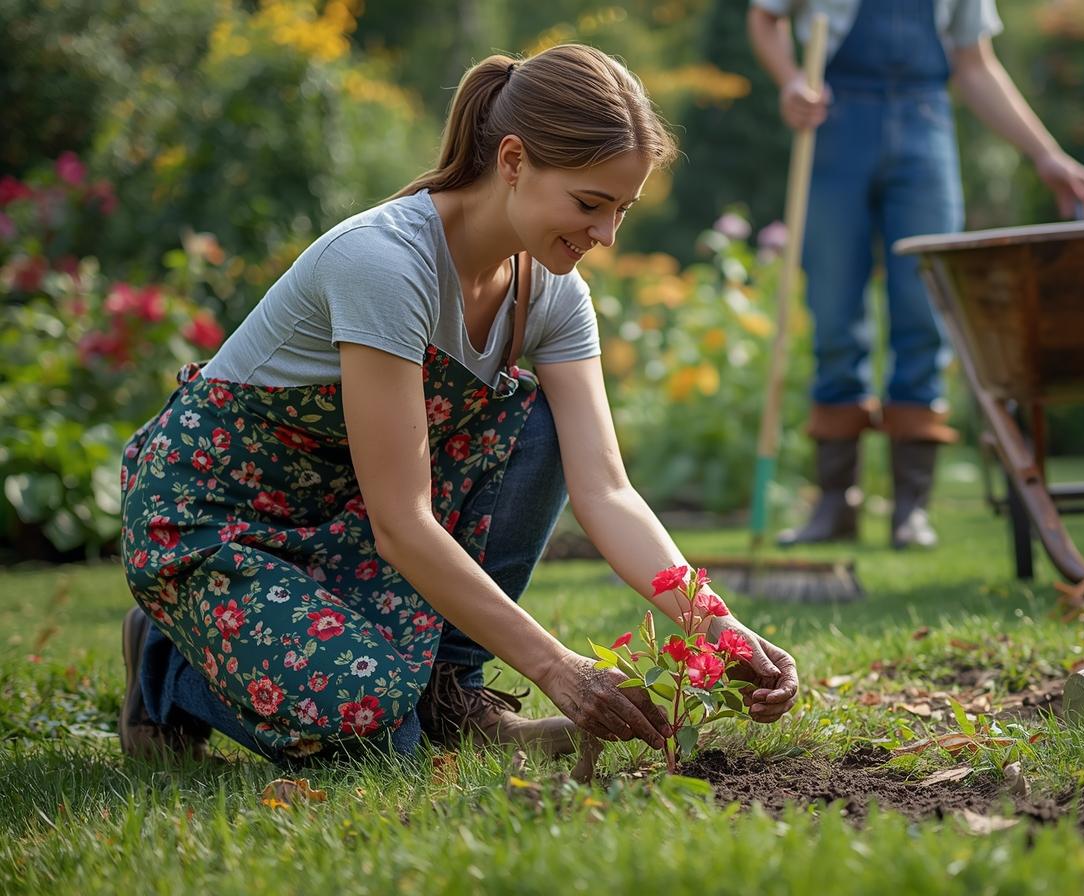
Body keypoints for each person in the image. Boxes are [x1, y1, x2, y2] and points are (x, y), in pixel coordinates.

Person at [117, 44, 800, 766]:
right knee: (369, 729)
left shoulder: (552, 293)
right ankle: (169, 666)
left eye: (622, 210)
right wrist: (557, 668)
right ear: (513, 162)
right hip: (218, 520)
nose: (606, 236)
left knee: (540, 431)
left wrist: (716, 628)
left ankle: (450, 687)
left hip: (343, 509)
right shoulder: (384, 264)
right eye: (589, 204)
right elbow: (403, 523)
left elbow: (607, 489)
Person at [748, 0, 1084, 549]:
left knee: (925, 312)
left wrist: (1045, 154)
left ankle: (910, 511)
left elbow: (976, 64)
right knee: (835, 310)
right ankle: (835, 503)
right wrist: (791, 81)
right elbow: (763, 16)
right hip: (836, 124)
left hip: (925, 128)